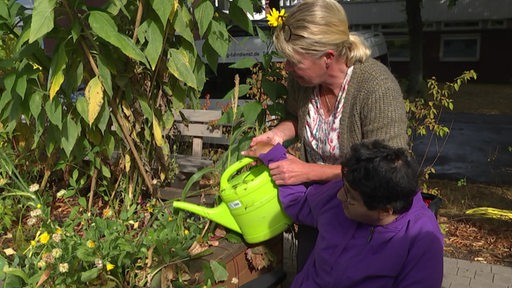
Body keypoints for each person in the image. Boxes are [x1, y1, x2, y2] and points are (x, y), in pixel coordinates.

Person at [242, 0, 409, 271]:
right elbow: (294, 117)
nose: (286, 68)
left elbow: (387, 168)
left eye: (294, 61)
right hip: (318, 211)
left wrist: (308, 172)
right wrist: (277, 134)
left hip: (363, 219)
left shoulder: (376, 87)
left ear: (328, 57)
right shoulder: (303, 82)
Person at [244, 140, 444, 288]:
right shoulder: (352, 188)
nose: (339, 196)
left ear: (385, 210)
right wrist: (275, 156)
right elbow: (300, 203)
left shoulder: (422, 238)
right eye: (343, 187)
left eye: (350, 198)